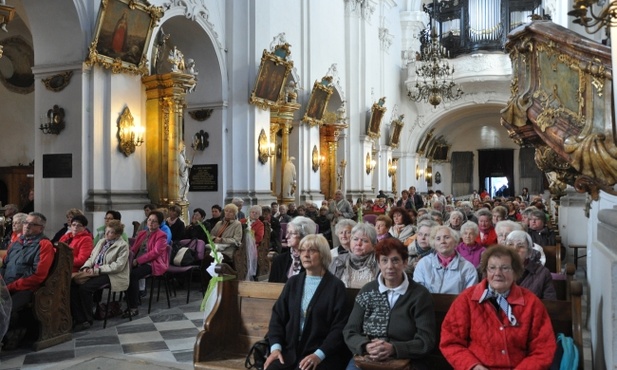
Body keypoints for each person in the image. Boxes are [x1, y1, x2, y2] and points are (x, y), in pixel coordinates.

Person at [440, 245, 556, 369]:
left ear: (515, 271)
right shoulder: (467, 299)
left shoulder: (531, 303)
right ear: (485, 271)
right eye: (492, 268)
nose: (497, 273)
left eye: (505, 268)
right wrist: (472, 366)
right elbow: (450, 341)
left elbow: (544, 349)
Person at [344, 238, 436, 370]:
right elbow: (350, 331)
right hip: (368, 358)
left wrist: (394, 349)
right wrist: (366, 346)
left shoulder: (419, 295)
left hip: (406, 360)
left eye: (395, 260)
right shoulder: (367, 291)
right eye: (384, 260)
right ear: (379, 264)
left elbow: (426, 339)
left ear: (405, 263)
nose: (390, 266)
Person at [265, 234, 351, 369]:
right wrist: (275, 348)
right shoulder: (293, 282)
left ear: (323, 254)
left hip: (322, 354)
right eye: (302, 250)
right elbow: (278, 317)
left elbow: (339, 327)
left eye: (311, 250)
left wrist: (319, 355)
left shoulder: (336, 287)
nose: (305, 255)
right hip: (289, 351)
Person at [0, 212, 55, 349]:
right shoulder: (16, 243)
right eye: (26, 223)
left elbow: (38, 275)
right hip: (6, 286)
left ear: (41, 228)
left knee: (3, 308)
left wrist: (10, 287)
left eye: (32, 224)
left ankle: (8, 336)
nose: (27, 226)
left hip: (27, 289)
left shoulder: (44, 245)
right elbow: (5, 265)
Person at [70, 220, 130, 330]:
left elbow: (118, 266)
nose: (107, 234)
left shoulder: (122, 245)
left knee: (85, 288)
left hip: (113, 274)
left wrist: (97, 270)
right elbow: (91, 257)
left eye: (110, 232)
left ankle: (87, 320)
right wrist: (86, 267)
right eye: (106, 231)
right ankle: (78, 317)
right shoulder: (102, 241)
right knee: (73, 285)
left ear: (117, 234)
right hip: (95, 271)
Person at [125, 210, 169, 317]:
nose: (150, 223)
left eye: (154, 221)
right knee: (125, 273)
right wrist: (128, 257)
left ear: (159, 224)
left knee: (133, 275)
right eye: (149, 220)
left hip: (153, 263)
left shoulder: (161, 235)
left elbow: (155, 253)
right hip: (137, 261)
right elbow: (134, 248)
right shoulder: (142, 233)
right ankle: (131, 300)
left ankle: (133, 307)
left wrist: (138, 261)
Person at [413, 226, 478, 294]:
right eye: (438, 239)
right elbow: (417, 293)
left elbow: (469, 296)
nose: (442, 241)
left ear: (455, 241)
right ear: (434, 243)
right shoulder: (423, 263)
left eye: (447, 237)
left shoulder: (468, 268)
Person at [505, 231, 556, 300]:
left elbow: (550, 304)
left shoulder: (542, 273)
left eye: (521, 246)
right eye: (510, 244)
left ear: (529, 252)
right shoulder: (497, 270)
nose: (515, 249)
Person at [329, 223, 379, 288]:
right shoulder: (337, 261)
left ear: (373, 245)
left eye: (364, 241)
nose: (358, 243)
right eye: (355, 239)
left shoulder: (380, 263)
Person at [269, 216, 316, 283]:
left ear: (303, 236)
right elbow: (271, 287)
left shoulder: (314, 260)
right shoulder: (279, 260)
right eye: (287, 232)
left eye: (291, 233)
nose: (286, 236)